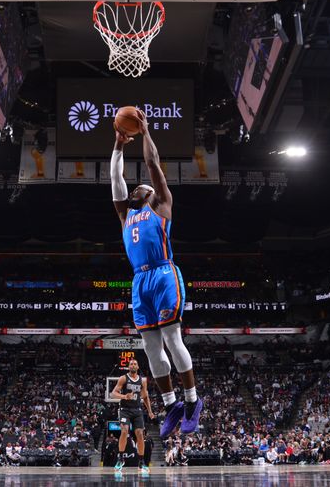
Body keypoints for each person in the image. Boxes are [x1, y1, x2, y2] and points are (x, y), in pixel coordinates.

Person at [110, 111, 202, 439]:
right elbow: (116, 181)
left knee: (172, 339)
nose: (139, 186)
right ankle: (172, 404)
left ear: (151, 193)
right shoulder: (125, 215)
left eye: (143, 186)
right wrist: (118, 147)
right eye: (137, 188)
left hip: (164, 273)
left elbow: (153, 165)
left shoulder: (161, 204)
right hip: (140, 280)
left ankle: (192, 402)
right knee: (150, 348)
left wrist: (146, 131)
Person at [110, 359, 154, 474]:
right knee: (124, 431)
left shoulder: (142, 381)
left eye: (135, 363)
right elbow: (113, 393)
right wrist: (125, 396)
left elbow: (145, 397)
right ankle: (120, 459)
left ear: (138, 366)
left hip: (137, 410)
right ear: (128, 367)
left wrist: (149, 411)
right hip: (125, 410)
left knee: (140, 434)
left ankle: (141, 462)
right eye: (131, 364)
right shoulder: (123, 378)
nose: (133, 365)